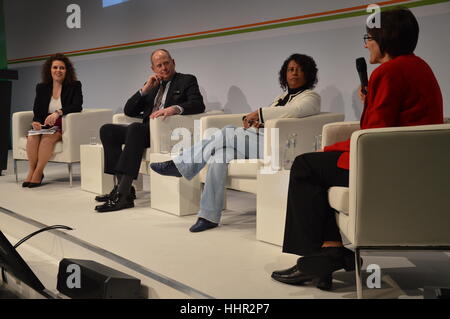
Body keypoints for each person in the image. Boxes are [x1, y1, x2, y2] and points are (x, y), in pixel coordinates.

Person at [271, 7, 444, 291]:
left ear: (383, 39)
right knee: (318, 164)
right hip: (413, 163)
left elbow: (374, 134)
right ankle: (329, 252)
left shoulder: (388, 72)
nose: (366, 44)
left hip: (387, 164)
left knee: (304, 165)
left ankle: (317, 259)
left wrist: (335, 147)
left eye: (369, 38)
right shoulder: (419, 66)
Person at [150, 53, 321, 232]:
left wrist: (259, 113)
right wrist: (259, 124)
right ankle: (208, 216)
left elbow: (295, 111)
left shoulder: (311, 97)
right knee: (219, 156)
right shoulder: (282, 97)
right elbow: (277, 118)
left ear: (308, 74)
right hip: (262, 140)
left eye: (300, 70)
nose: (295, 73)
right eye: (291, 69)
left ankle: (182, 165)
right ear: (284, 74)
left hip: (280, 148)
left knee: (229, 131)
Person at [95, 49, 205, 213]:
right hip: (143, 132)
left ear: (173, 62)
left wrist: (174, 108)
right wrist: (144, 90)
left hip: (165, 131)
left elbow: (198, 104)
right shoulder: (153, 86)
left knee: (135, 128)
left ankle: (122, 196)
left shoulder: (187, 80)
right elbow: (129, 111)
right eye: (159, 65)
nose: (164, 68)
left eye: (166, 63)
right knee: (107, 130)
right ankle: (124, 188)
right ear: (153, 69)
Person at [23, 53, 83, 188]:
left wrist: (58, 112)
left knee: (46, 139)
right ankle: (32, 170)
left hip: (62, 122)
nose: (58, 71)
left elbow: (77, 105)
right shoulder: (42, 87)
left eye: (62, 68)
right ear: (49, 70)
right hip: (45, 124)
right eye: (55, 67)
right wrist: (36, 122)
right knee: (32, 137)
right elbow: (37, 111)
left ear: (67, 70)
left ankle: (38, 173)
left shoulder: (74, 85)